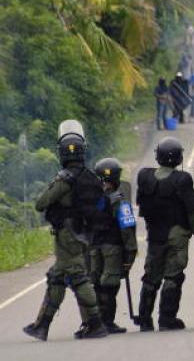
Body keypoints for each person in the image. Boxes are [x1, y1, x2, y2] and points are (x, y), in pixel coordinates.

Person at [23, 121, 108, 341]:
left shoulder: (66, 179)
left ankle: (96, 323)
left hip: (67, 236)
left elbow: (41, 203)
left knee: (78, 277)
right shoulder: (91, 176)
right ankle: (42, 325)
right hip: (83, 233)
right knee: (56, 277)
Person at [136, 137, 194, 332]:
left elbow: (141, 204)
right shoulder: (183, 179)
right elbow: (192, 209)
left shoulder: (145, 176)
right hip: (176, 232)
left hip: (155, 233)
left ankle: (145, 319)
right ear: (179, 158)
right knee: (173, 276)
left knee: (151, 276)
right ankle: (167, 318)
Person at [90, 158, 138, 334]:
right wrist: (131, 253)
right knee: (110, 284)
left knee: (95, 283)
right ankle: (107, 321)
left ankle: (95, 320)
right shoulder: (120, 200)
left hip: (94, 247)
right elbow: (127, 228)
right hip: (113, 247)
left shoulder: (91, 199)